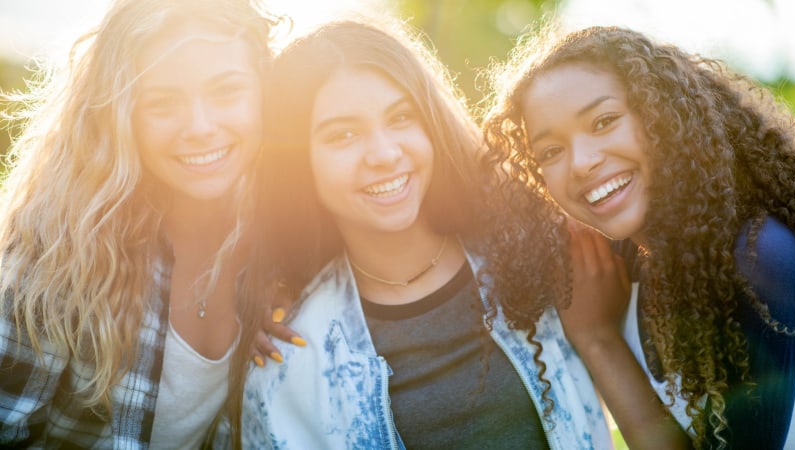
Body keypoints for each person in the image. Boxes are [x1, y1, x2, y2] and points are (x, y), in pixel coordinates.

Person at [235, 17, 613, 450]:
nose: (384, 153)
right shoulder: (292, 359)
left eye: (401, 117)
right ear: (300, 164)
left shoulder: (543, 257)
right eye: (343, 134)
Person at [483, 25, 795, 449]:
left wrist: (599, 341)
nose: (581, 163)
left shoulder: (759, 258)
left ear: (663, 116)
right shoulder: (622, 265)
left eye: (604, 121)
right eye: (551, 152)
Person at [0, 0, 280, 447]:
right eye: (163, 103)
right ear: (121, 116)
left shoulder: (286, 244)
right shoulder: (57, 252)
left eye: (227, 91)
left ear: (266, 93)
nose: (200, 126)